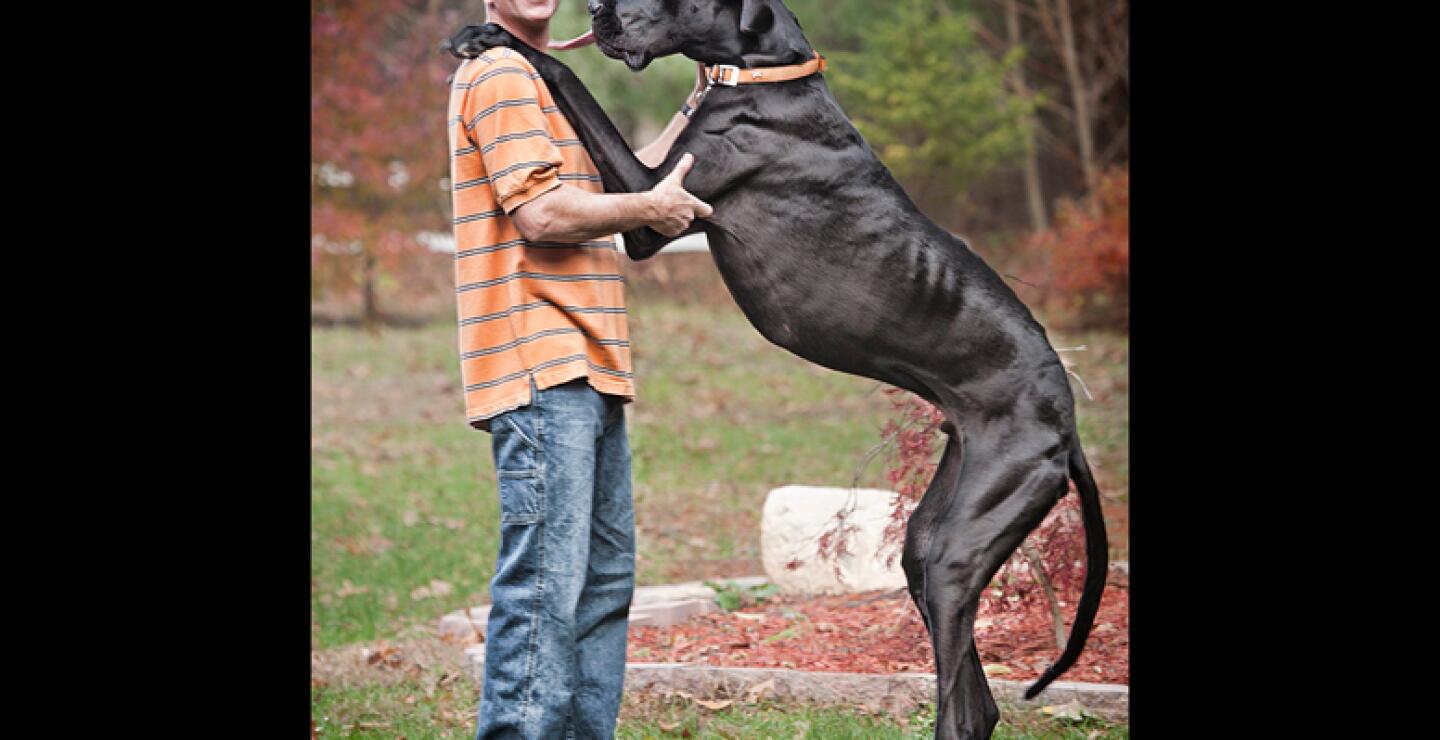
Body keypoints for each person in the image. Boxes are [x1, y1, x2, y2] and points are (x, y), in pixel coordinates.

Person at [445, 1, 711, 737]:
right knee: (545, 591)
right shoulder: (501, 74)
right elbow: (543, 215)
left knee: (600, 588)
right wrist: (647, 209)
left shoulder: (545, 76)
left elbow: (632, 184)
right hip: (540, 359)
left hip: (588, 364)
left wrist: (705, 89)